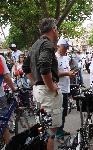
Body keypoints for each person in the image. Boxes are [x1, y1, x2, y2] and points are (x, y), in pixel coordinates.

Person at [22, 18, 62, 150]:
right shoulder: (47, 44)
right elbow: (44, 66)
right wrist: (51, 86)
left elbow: (26, 67)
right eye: (56, 29)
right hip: (47, 92)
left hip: (40, 90)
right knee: (50, 132)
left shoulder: (35, 45)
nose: (57, 31)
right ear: (53, 29)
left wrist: (35, 82)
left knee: (43, 129)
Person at [55, 38, 76, 143]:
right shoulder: (55, 58)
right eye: (65, 47)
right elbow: (55, 74)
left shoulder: (66, 58)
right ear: (59, 46)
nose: (66, 49)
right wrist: (68, 74)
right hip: (59, 89)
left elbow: (66, 71)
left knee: (64, 112)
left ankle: (61, 130)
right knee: (60, 112)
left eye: (67, 47)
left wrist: (71, 73)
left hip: (66, 88)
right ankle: (58, 135)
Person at [0, 55, 16, 145]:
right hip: (0, 96)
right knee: (4, 123)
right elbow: (6, 77)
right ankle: (8, 145)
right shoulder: (0, 58)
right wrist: (14, 88)